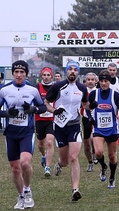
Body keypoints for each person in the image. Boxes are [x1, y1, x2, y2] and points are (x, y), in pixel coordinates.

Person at [0, 60, 47, 210]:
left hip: (26, 133)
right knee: (15, 169)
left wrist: (33, 109)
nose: (19, 75)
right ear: (13, 73)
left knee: (25, 162)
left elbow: (42, 107)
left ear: (26, 74)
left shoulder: (32, 90)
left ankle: (28, 190)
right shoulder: (4, 90)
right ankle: (21, 196)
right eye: (16, 72)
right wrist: (6, 113)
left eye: (22, 72)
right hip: (10, 133)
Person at [45, 60, 92, 202]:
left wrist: (92, 106)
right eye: (70, 69)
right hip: (60, 126)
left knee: (73, 157)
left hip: (74, 125)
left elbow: (85, 105)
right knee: (65, 161)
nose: (72, 71)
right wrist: (54, 110)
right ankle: (59, 164)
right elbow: (46, 103)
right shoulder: (58, 86)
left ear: (78, 72)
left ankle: (75, 189)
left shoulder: (82, 88)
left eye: (75, 69)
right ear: (66, 71)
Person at [88, 71, 119, 188]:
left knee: (112, 155)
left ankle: (112, 177)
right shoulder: (93, 94)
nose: (104, 83)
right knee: (99, 152)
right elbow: (86, 107)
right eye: (101, 81)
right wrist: (90, 117)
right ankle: (103, 167)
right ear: (98, 82)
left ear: (109, 82)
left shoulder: (115, 95)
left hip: (112, 129)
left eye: (106, 81)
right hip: (98, 129)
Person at [35, 67, 56, 177]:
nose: (46, 77)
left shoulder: (55, 87)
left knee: (49, 142)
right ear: (41, 76)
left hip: (51, 119)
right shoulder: (37, 88)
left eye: (48, 75)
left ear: (51, 76)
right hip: (39, 119)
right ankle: (43, 155)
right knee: (41, 144)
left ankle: (47, 167)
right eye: (45, 75)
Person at [81, 72, 99, 172]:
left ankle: (95, 153)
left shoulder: (99, 91)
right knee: (86, 143)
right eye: (88, 80)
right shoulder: (82, 91)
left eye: (92, 79)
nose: (90, 81)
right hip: (86, 119)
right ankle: (90, 162)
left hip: (96, 119)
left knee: (93, 139)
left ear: (96, 81)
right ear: (85, 81)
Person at [107, 63, 119, 143]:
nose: (112, 72)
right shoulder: (104, 80)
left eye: (113, 70)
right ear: (107, 70)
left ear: (116, 71)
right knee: (113, 120)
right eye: (110, 70)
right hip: (109, 103)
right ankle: (116, 135)